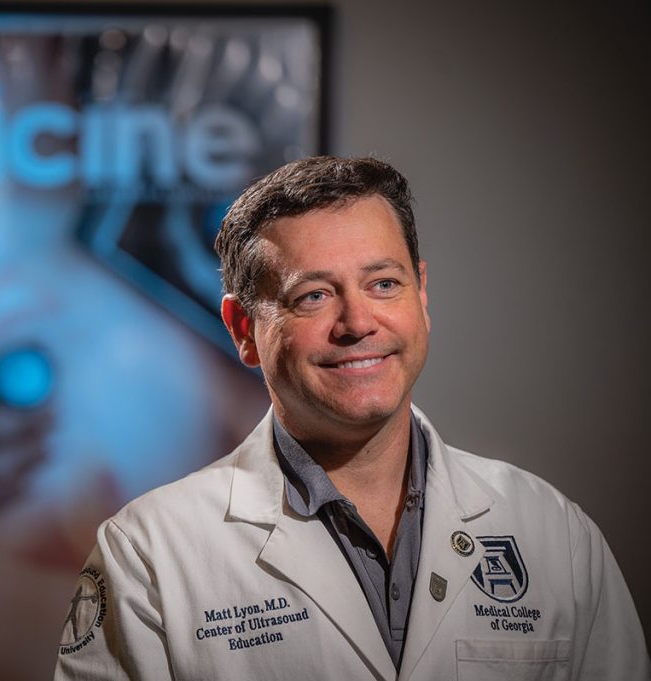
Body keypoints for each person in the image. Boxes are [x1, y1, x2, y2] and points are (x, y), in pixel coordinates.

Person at [53, 156, 650, 680]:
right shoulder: (150, 554)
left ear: (422, 295)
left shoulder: (554, 532)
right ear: (243, 331)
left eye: (383, 283)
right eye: (313, 295)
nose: (357, 322)